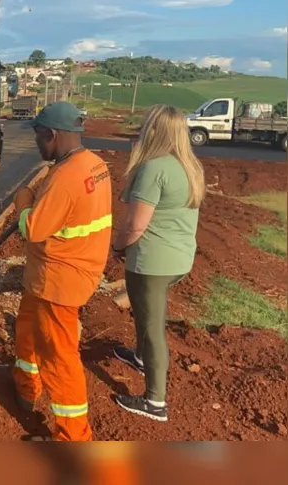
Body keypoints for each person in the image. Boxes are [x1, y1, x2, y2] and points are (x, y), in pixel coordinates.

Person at [12, 101, 113, 442]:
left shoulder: (66, 178)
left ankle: (73, 437)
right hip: (56, 275)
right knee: (26, 330)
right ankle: (26, 389)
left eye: (39, 137)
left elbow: (34, 228)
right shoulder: (94, 165)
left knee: (60, 359)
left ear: (52, 135)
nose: (36, 144)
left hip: (60, 282)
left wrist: (23, 200)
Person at [110, 104, 205, 422]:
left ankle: (155, 402)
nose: (140, 131)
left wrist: (118, 247)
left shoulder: (154, 168)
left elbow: (135, 225)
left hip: (152, 262)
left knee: (152, 330)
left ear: (154, 131)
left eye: (145, 126)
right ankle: (139, 357)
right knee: (150, 313)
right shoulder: (189, 165)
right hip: (179, 259)